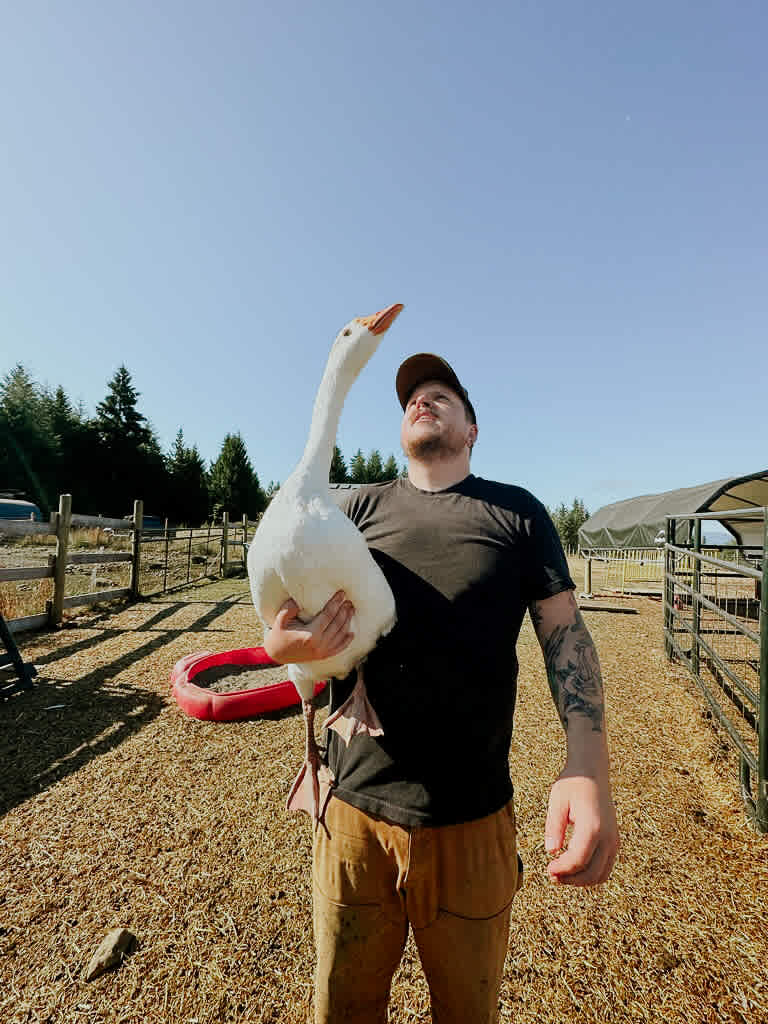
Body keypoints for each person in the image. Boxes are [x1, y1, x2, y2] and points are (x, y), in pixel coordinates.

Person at [264, 353, 620, 1024]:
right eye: (412, 399)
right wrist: (284, 649)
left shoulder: (517, 514)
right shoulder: (350, 509)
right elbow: (285, 621)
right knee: (341, 1007)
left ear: (473, 430)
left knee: (468, 1011)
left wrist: (587, 765)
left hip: (473, 822)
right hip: (352, 818)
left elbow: (565, 635)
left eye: (441, 396)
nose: (422, 401)